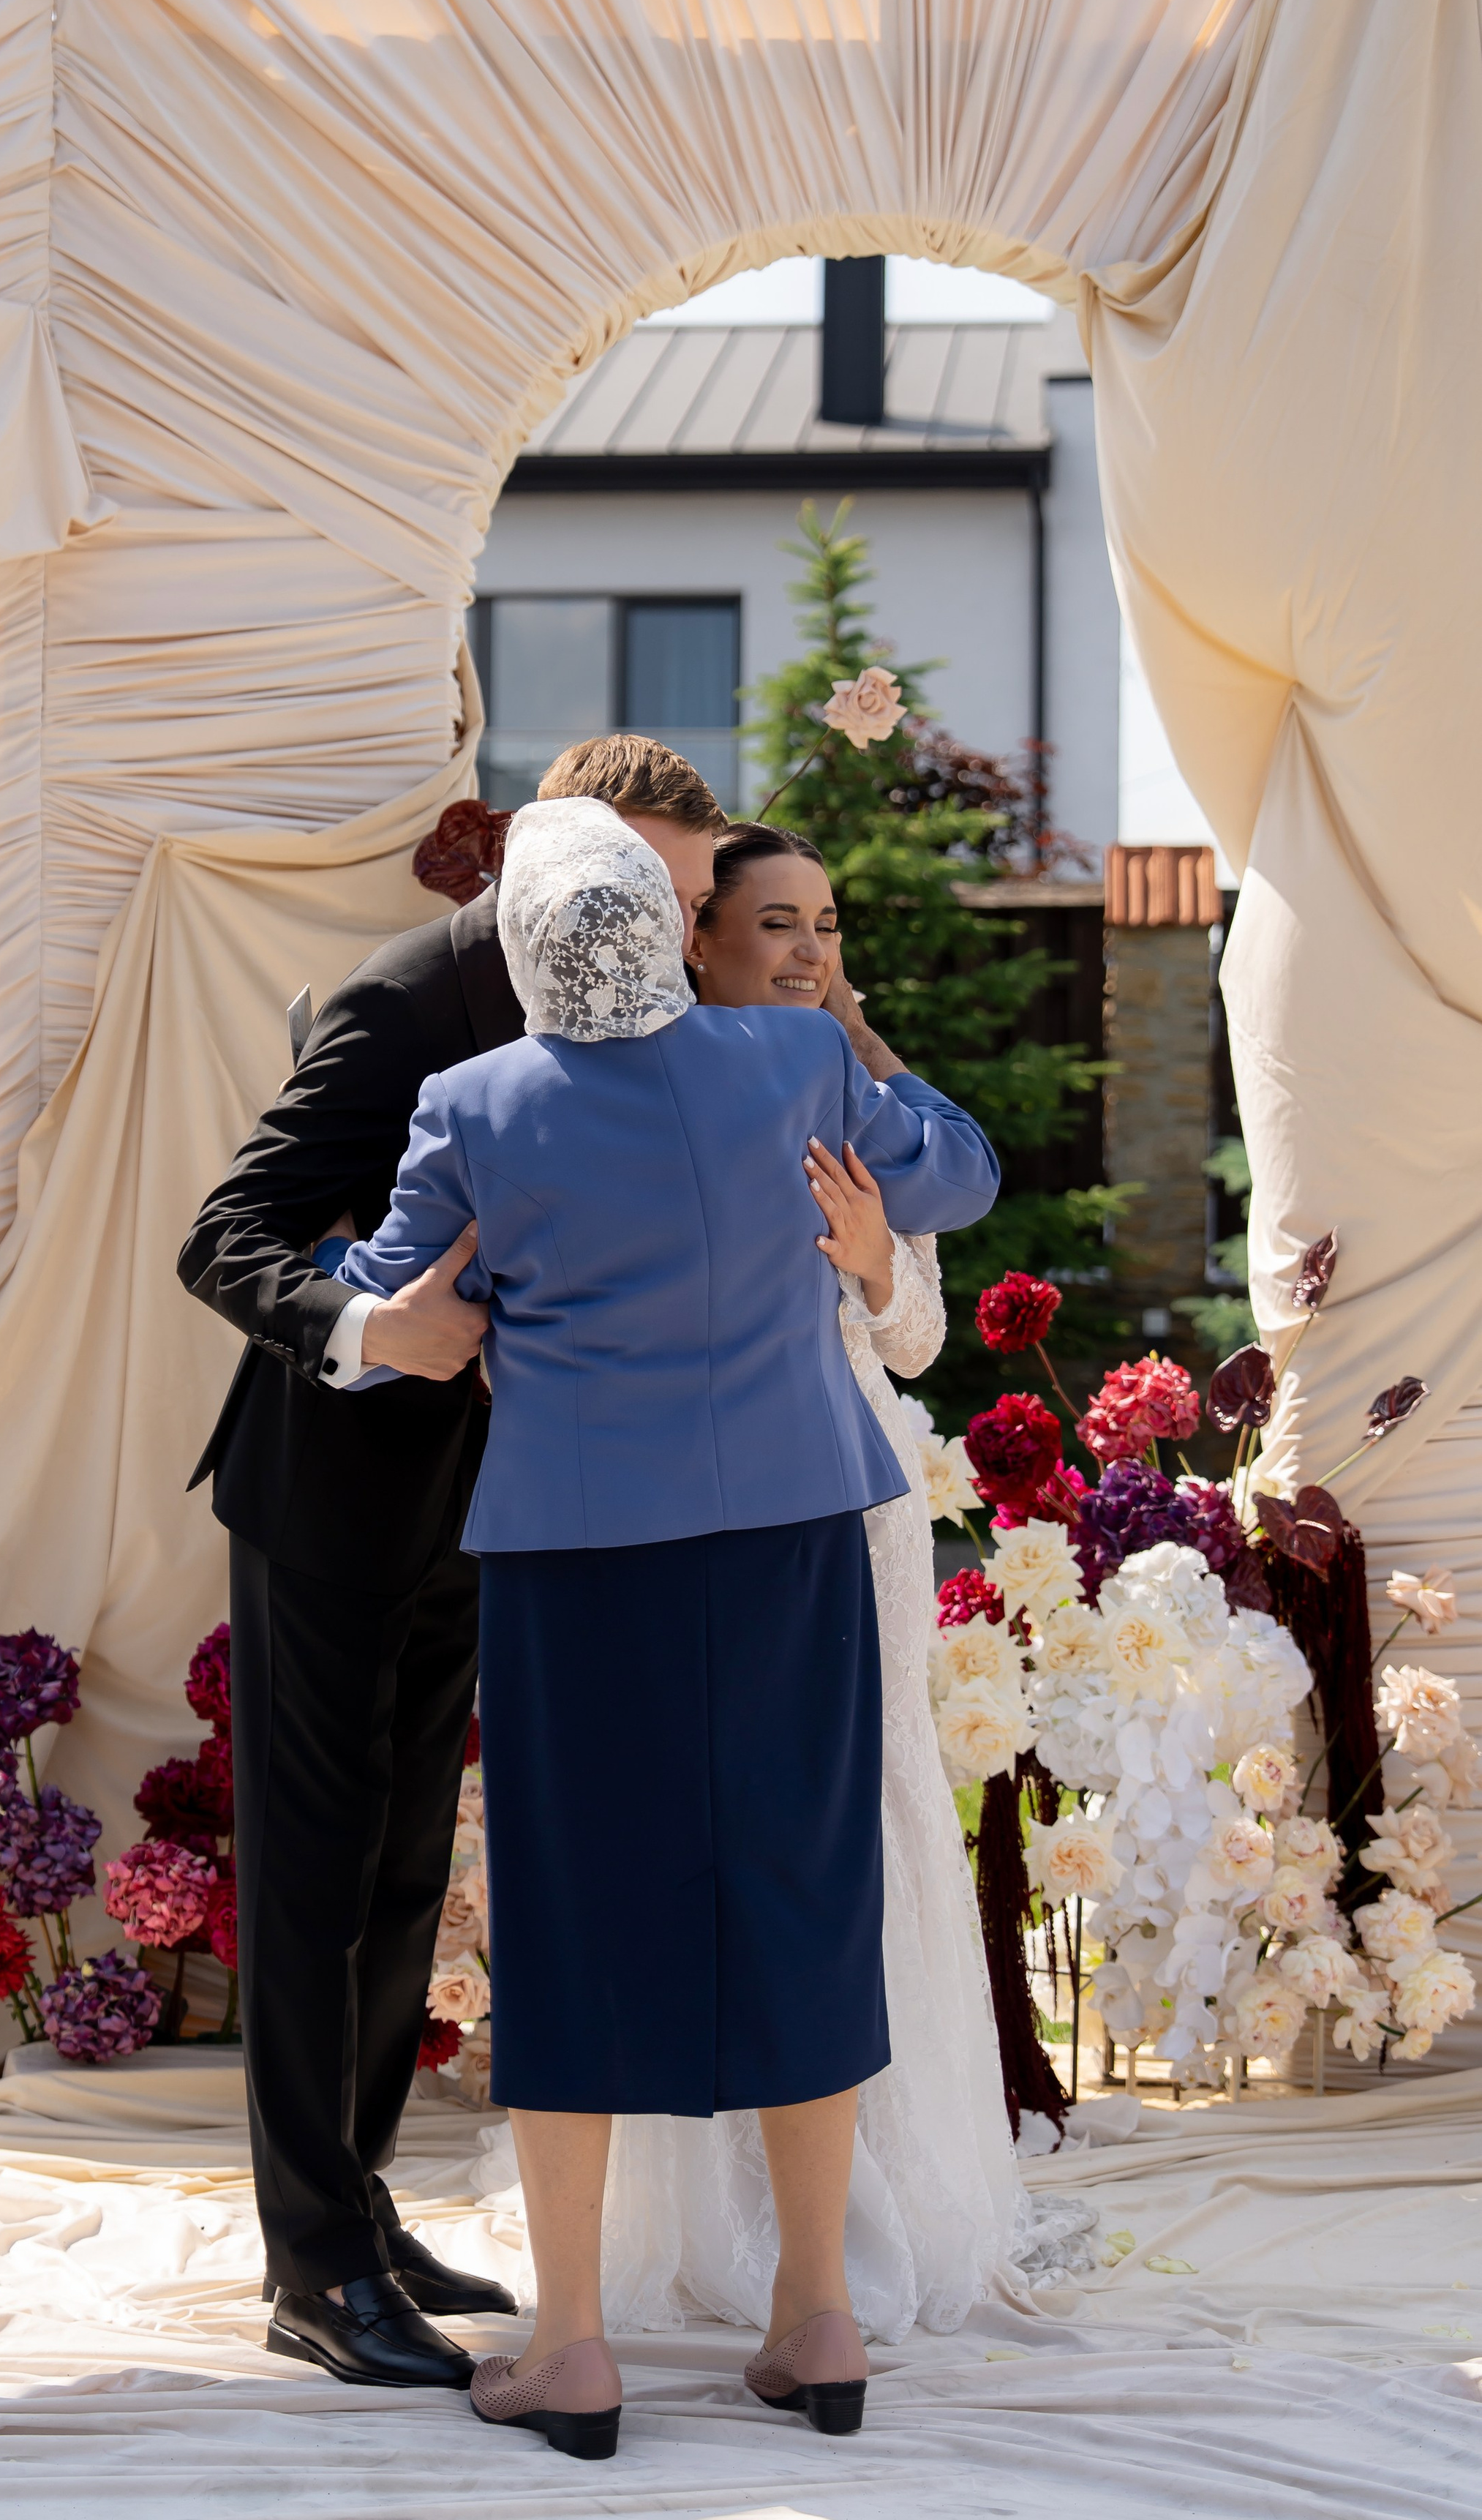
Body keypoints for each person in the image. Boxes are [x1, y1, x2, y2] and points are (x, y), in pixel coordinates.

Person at [334, 798, 1001, 2459]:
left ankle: (571, 2347)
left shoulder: (470, 1103)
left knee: (577, 1920)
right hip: (786, 1541)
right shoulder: (787, 1065)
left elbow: (399, 1316)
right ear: (660, 915)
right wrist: (856, 1056)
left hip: (579, 1557)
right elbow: (959, 1177)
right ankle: (815, 2322)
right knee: (798, 1890)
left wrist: (363, 1308)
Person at [175, 736, 723, 2395]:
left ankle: (360, 2207)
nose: (672, 932)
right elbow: (226, 1233)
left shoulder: (643, 1004)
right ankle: (309, 2271)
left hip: (492, 1507)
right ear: (550, 857)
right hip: (331, 1497)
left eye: (688, 902)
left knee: (407, 1876)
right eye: (651, 887)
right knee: (313, 1880)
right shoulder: (405, 1002)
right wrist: (372, 1326)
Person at [593, 824, 1016, 2344]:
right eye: (775, 923)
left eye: (825, 923)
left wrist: (870, 1260)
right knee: (715, 1837)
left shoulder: (845, 1095)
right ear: (696, 941)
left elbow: (915, 1342)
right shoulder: (653, 1088)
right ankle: (724, 2220)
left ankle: (882, 2206)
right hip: (702, 1509)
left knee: (876, 1820)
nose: (807, 949)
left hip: (859, 1505)